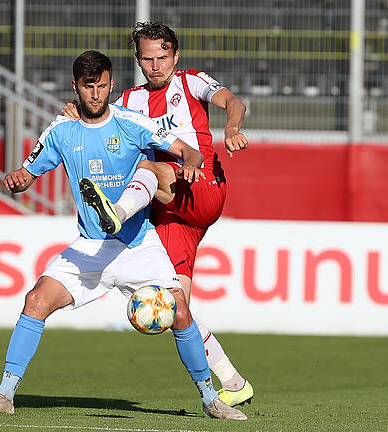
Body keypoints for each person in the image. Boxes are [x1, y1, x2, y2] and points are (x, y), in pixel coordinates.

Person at [0, 50, 246, 420]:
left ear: (111, 84)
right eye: (89, 87)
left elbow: (186, 150)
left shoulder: (131, 122)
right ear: (76, 87)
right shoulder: (61, 130)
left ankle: (210, 399)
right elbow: (26, 175)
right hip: (90, 248)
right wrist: (18, 180)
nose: (96, 94)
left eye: (102, 86)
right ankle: (4, 395)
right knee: (35, 300)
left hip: (138, 244)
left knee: (180, 312)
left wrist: (191, 162)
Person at [61, 22, 253, 407]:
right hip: (169, 211)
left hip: (202, 187)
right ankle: (234, 383)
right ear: (137, 60)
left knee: (149, 169)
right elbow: (98, 118)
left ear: (175, 56)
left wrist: (232, 127)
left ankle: (115, 214)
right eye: (147, 59)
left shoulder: (192, 82)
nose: (155, 65)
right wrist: (74, 111)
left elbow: (235, 103)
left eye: (162, 57)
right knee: (174, 303)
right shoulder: (128, 103)